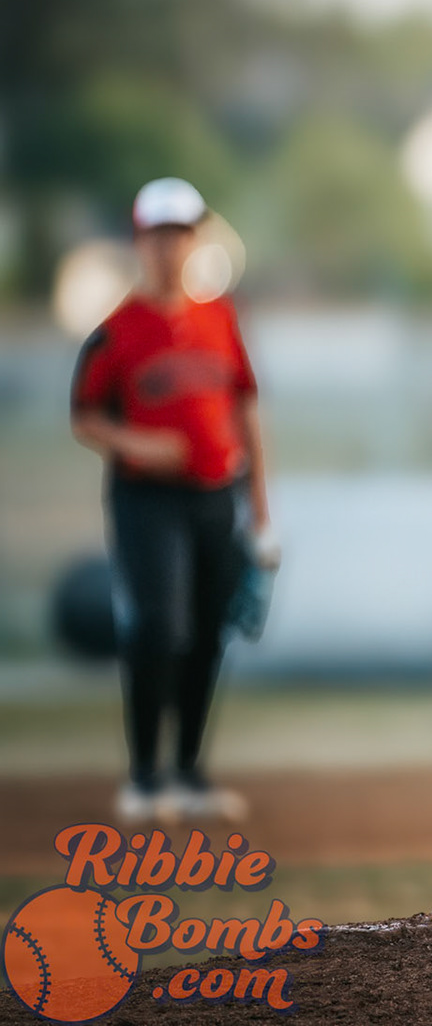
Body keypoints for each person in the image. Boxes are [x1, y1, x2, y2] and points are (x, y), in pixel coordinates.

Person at [70, 178, 271, 822]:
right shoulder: (118, 331)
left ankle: (188, 773)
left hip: (217, 495)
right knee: (161, 626)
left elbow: (244, 404)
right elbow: (84, 416)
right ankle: (145, 777)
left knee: (209, 630)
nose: (172, 247)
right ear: (141, 241)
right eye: (160, 234)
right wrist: (137, 443)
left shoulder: (219, 317)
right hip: (147, 500)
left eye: (182, 234)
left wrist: (261, 504)